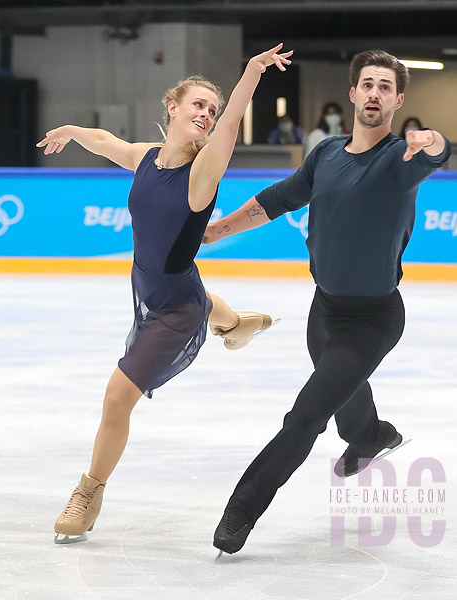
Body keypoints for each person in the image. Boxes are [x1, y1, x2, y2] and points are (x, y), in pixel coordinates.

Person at [36, 43, 293, 544]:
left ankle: (89, 492)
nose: (207, 114)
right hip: (160, 286)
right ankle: (237, 323)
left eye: (211, 110)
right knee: (199, 295)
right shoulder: (147, 158)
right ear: (172, 107)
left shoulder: (201, 174)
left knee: (117, 397)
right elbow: (107, 141)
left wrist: (251, 74)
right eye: (198, 104)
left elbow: (230, 127)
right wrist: (71, 130)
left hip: (174, 308)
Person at [204, 49, 450, 555]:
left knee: (306, 415)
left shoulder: (401, 159)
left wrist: (432, 140)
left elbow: (436, 154)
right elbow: (278, 199)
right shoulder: (326, 154)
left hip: (373, 319)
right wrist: (216, 231)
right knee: (343, 403)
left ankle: (241, 511)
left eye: (386, 87)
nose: (376, 93)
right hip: (324, 312)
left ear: (398, 100)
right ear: (354, 93)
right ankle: (373, 436)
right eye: (369, 84)